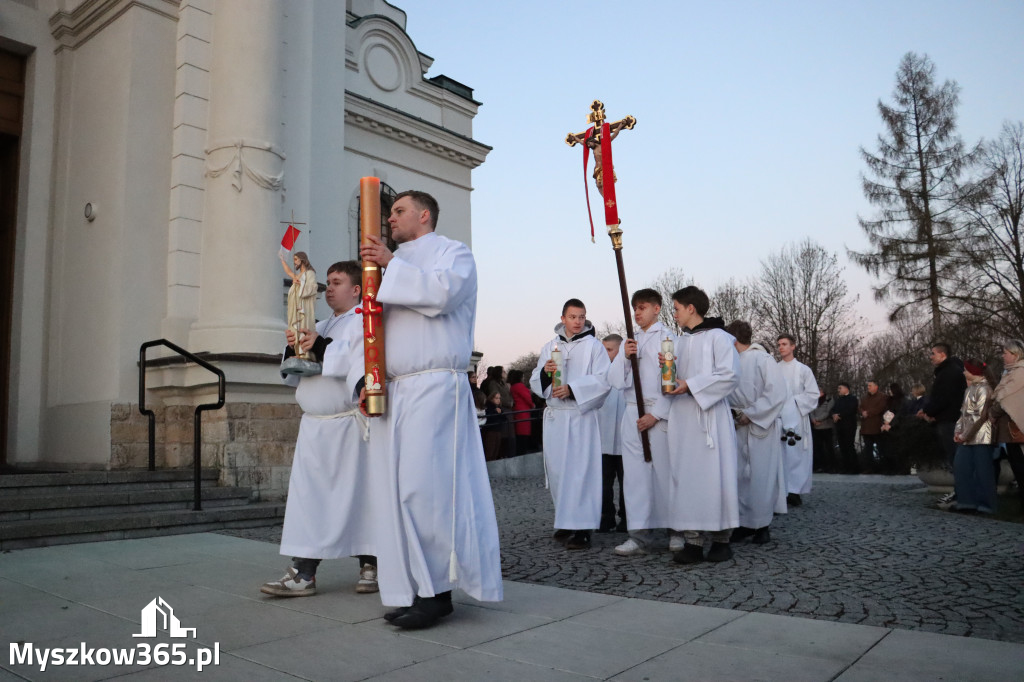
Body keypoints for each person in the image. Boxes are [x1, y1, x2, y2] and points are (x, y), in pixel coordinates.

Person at [355, 190, 502, 630]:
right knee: (397, 492)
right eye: (389, 213)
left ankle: (437, 592)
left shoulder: (453, 253)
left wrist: (390, 264)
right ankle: (412, 586)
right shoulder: (387, 268)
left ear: (424, 215)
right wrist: (368, 378)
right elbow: (372, 329)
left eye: (398, 211)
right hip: (395, 390)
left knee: (427, 490)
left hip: (436, 385)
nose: (390, 218)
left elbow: (442, 295)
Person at [261, 261, 377, 598]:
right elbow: (295, 374)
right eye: (327, 282)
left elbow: (360, 361)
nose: (329, 288)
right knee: (309, 501)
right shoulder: (319, 324)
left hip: (348, 426)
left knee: (360, 498)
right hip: (314, 426)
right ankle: (304, 573)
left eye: (337, 282)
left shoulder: (365, 321)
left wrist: (320, 345)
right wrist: (294, 347)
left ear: (356, 289)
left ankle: (371, 564)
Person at [650, 286, 739, 565]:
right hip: (683, 419)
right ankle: (693, 541)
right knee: (686, 478)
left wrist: (691, 384)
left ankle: (722, 541)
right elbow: (671, 382)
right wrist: (667, 371)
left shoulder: (720, 338)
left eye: (676, 308)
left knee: (715, 477)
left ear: (691, 308)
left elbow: (729, 376)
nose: (674, 314)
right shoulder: (678, 342)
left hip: (710, 419)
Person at [530, 299, 611, 551]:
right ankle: (565, 521)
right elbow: (535, 381)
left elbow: (604, 380)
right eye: (573, 317)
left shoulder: (594, 347)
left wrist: (573, 389)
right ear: (563, 318)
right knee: (559, 473)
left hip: (580, 416)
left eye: (582, 317)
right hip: (556, 418)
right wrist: (546, 372)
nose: (578, 321)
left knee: (580, 473)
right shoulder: (549, 346)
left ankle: (583, 528)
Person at [608, 289, 676, 556]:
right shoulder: (630, 341)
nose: (637, 312)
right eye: (635, 308)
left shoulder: (668, 338)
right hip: (632, 413)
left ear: (657, 309)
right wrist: (625, 357)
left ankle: (676, 531)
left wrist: (656, 414)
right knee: (635, 477)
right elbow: (614, 381)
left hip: (658, 414)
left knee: (666, 474)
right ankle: (638, 536)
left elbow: (672, 380)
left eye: (643, 307)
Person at [726, 320, 788, 546]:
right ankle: (743, 523)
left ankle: (762, 525)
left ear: (734, 339)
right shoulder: (731, 362)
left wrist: (751, 414)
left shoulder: (763, 359)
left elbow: (776, 393)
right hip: (736, 425)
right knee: (739, 476)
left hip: (760, 424)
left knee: (761, 475)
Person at [917, 343, 967, 507]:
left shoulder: (948, 373)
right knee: (954, 457)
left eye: (933, 353)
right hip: (947, 418)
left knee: (955, 457)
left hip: (949, 420)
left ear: (942, 355)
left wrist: (928, 411)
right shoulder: (950, 371)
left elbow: (943, 398)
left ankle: (961, 493)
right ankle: (960, 492)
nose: (930, 357)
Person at [951, 359, 999, 514]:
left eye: (966, 369)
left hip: (982, 436)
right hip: (966, 436)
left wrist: (965, 435)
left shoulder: (985, 389)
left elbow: (980, 416)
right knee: (962, 468)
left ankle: (986, 505)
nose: (964, 372)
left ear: (974, 372)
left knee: (982, 470)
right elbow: (963, 413)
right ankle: (966, 502)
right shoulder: (970, 389)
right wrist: (958, 431)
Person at [777, 334, 820, 506]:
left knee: (796, 454)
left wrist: (793, 401)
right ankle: (781, 490)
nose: (781, 347)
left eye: (784, 344)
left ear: (793, 346)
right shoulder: (774, 368)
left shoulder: (803, 370)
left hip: (797, 416)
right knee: (781, 453)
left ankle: (794, 490)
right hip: (779, 417)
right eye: (779, 344)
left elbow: (813, 394)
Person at [597, 334, 627, 533]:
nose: (605, 354)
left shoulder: (629, 369)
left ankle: (627, 516)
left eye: (609, 350)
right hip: (604, 436)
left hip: (625, 437)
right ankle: (606, 516)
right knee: (603, 482)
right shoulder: (600, 372)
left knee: (627, 481)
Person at [990, 339, 1024, 511]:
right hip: (1010, 430)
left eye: (1006, 353)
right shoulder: (1010, 372)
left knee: (1020, 466)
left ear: (1015, 354)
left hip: (1016, 428)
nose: (1003, 356)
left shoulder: (1020, 372)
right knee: (1017, 466)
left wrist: (993, 412)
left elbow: (1005, 397)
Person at [280, 251, 318, 360]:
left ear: (302, 260)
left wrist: (301, 285)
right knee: (294, 330)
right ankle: (297, 351)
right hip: (295, 308)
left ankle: (304, 353)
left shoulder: (310, 273)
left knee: (302, 328)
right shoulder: (299, 275)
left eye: (296, 259)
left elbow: (313, 288)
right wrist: (282, 260)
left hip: (303, 309)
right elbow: (288, 271)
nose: (294, 262)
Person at [830, 382, 859, 473]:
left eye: (840, 388)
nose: (838, 390)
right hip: (839, 426)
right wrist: (833, 415)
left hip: (849, 426)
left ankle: (854, 468)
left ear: (846, 388)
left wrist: (839, 415)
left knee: (849, 446)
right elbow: (832, 409)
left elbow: (851, 410)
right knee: (842, 447)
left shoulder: (853, 398)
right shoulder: (838, 400)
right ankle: (845, 467)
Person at [859, 380, 887, 472]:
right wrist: (862, 412)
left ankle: (883, 467)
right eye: (868, 386)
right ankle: (869, 468)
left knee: (881, 448)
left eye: (870, 386)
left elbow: (880, 408)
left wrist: (868, 413)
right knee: (868, 449)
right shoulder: (864, 397)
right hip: (866, 427)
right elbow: (860, 407)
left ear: (876, 387)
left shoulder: (882, 396)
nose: (868, 387)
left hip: (877, 426)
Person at [507, 369, 536, 455]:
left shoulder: (513, 387)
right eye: (522, 377)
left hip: (517, 411)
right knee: (523, 434)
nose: (523, 378)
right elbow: (527, 398)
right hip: (523, 412)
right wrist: (532, 405)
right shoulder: (519, 386)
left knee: (520, 434)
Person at [810, 389, 836, 473]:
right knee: (818, 448)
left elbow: (828, 412)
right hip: (816, 427)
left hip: (826, 427)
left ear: (823, 392)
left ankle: (832, 467)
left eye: (819, 391)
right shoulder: (814, 400)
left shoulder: (829, 400)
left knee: (829, 447)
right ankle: (821, 466)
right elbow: (811, 411)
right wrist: (813, 420)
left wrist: (817, 419)